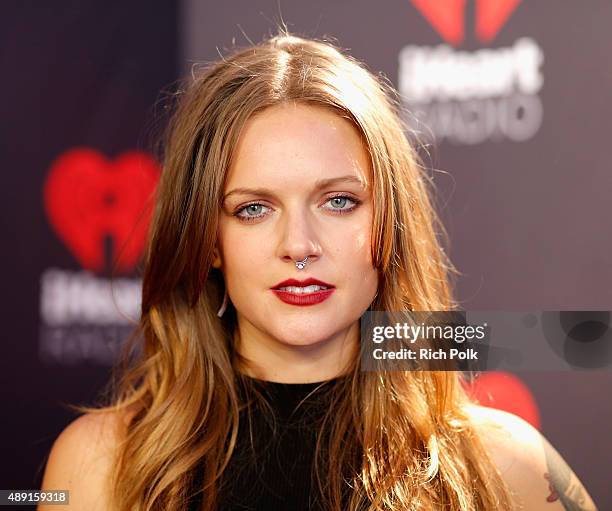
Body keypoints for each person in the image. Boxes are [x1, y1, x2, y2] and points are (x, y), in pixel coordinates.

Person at [39, 31, 598, 511]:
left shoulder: (505, 465)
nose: (299, 246)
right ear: (209, 241)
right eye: (253, 209)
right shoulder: (98, 467)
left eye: (338, 202)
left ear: (391, 221)